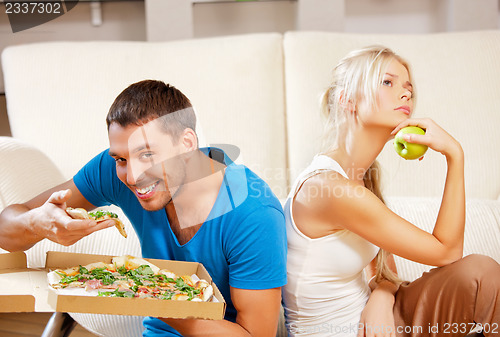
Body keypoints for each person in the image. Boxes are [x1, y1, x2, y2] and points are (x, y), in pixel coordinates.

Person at [0, 80, 287, 336]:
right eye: (121, 158)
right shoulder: (115, 170)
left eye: (147, 154)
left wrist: (143, 295)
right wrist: (37, 224)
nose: (133, 177)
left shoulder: (253, 214)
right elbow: (6, 230)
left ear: (187, 144)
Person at [282, 46, 500, 337]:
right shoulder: (329, 188)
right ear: (349, 100)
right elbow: (447, 252)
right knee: (480, 272)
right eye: (388, 82)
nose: (406, 93)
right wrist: (455, 155)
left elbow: (385, 268)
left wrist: (381, 296)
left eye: (408, 86)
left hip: (381, 320)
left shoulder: (362, 178)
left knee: (480, 276)